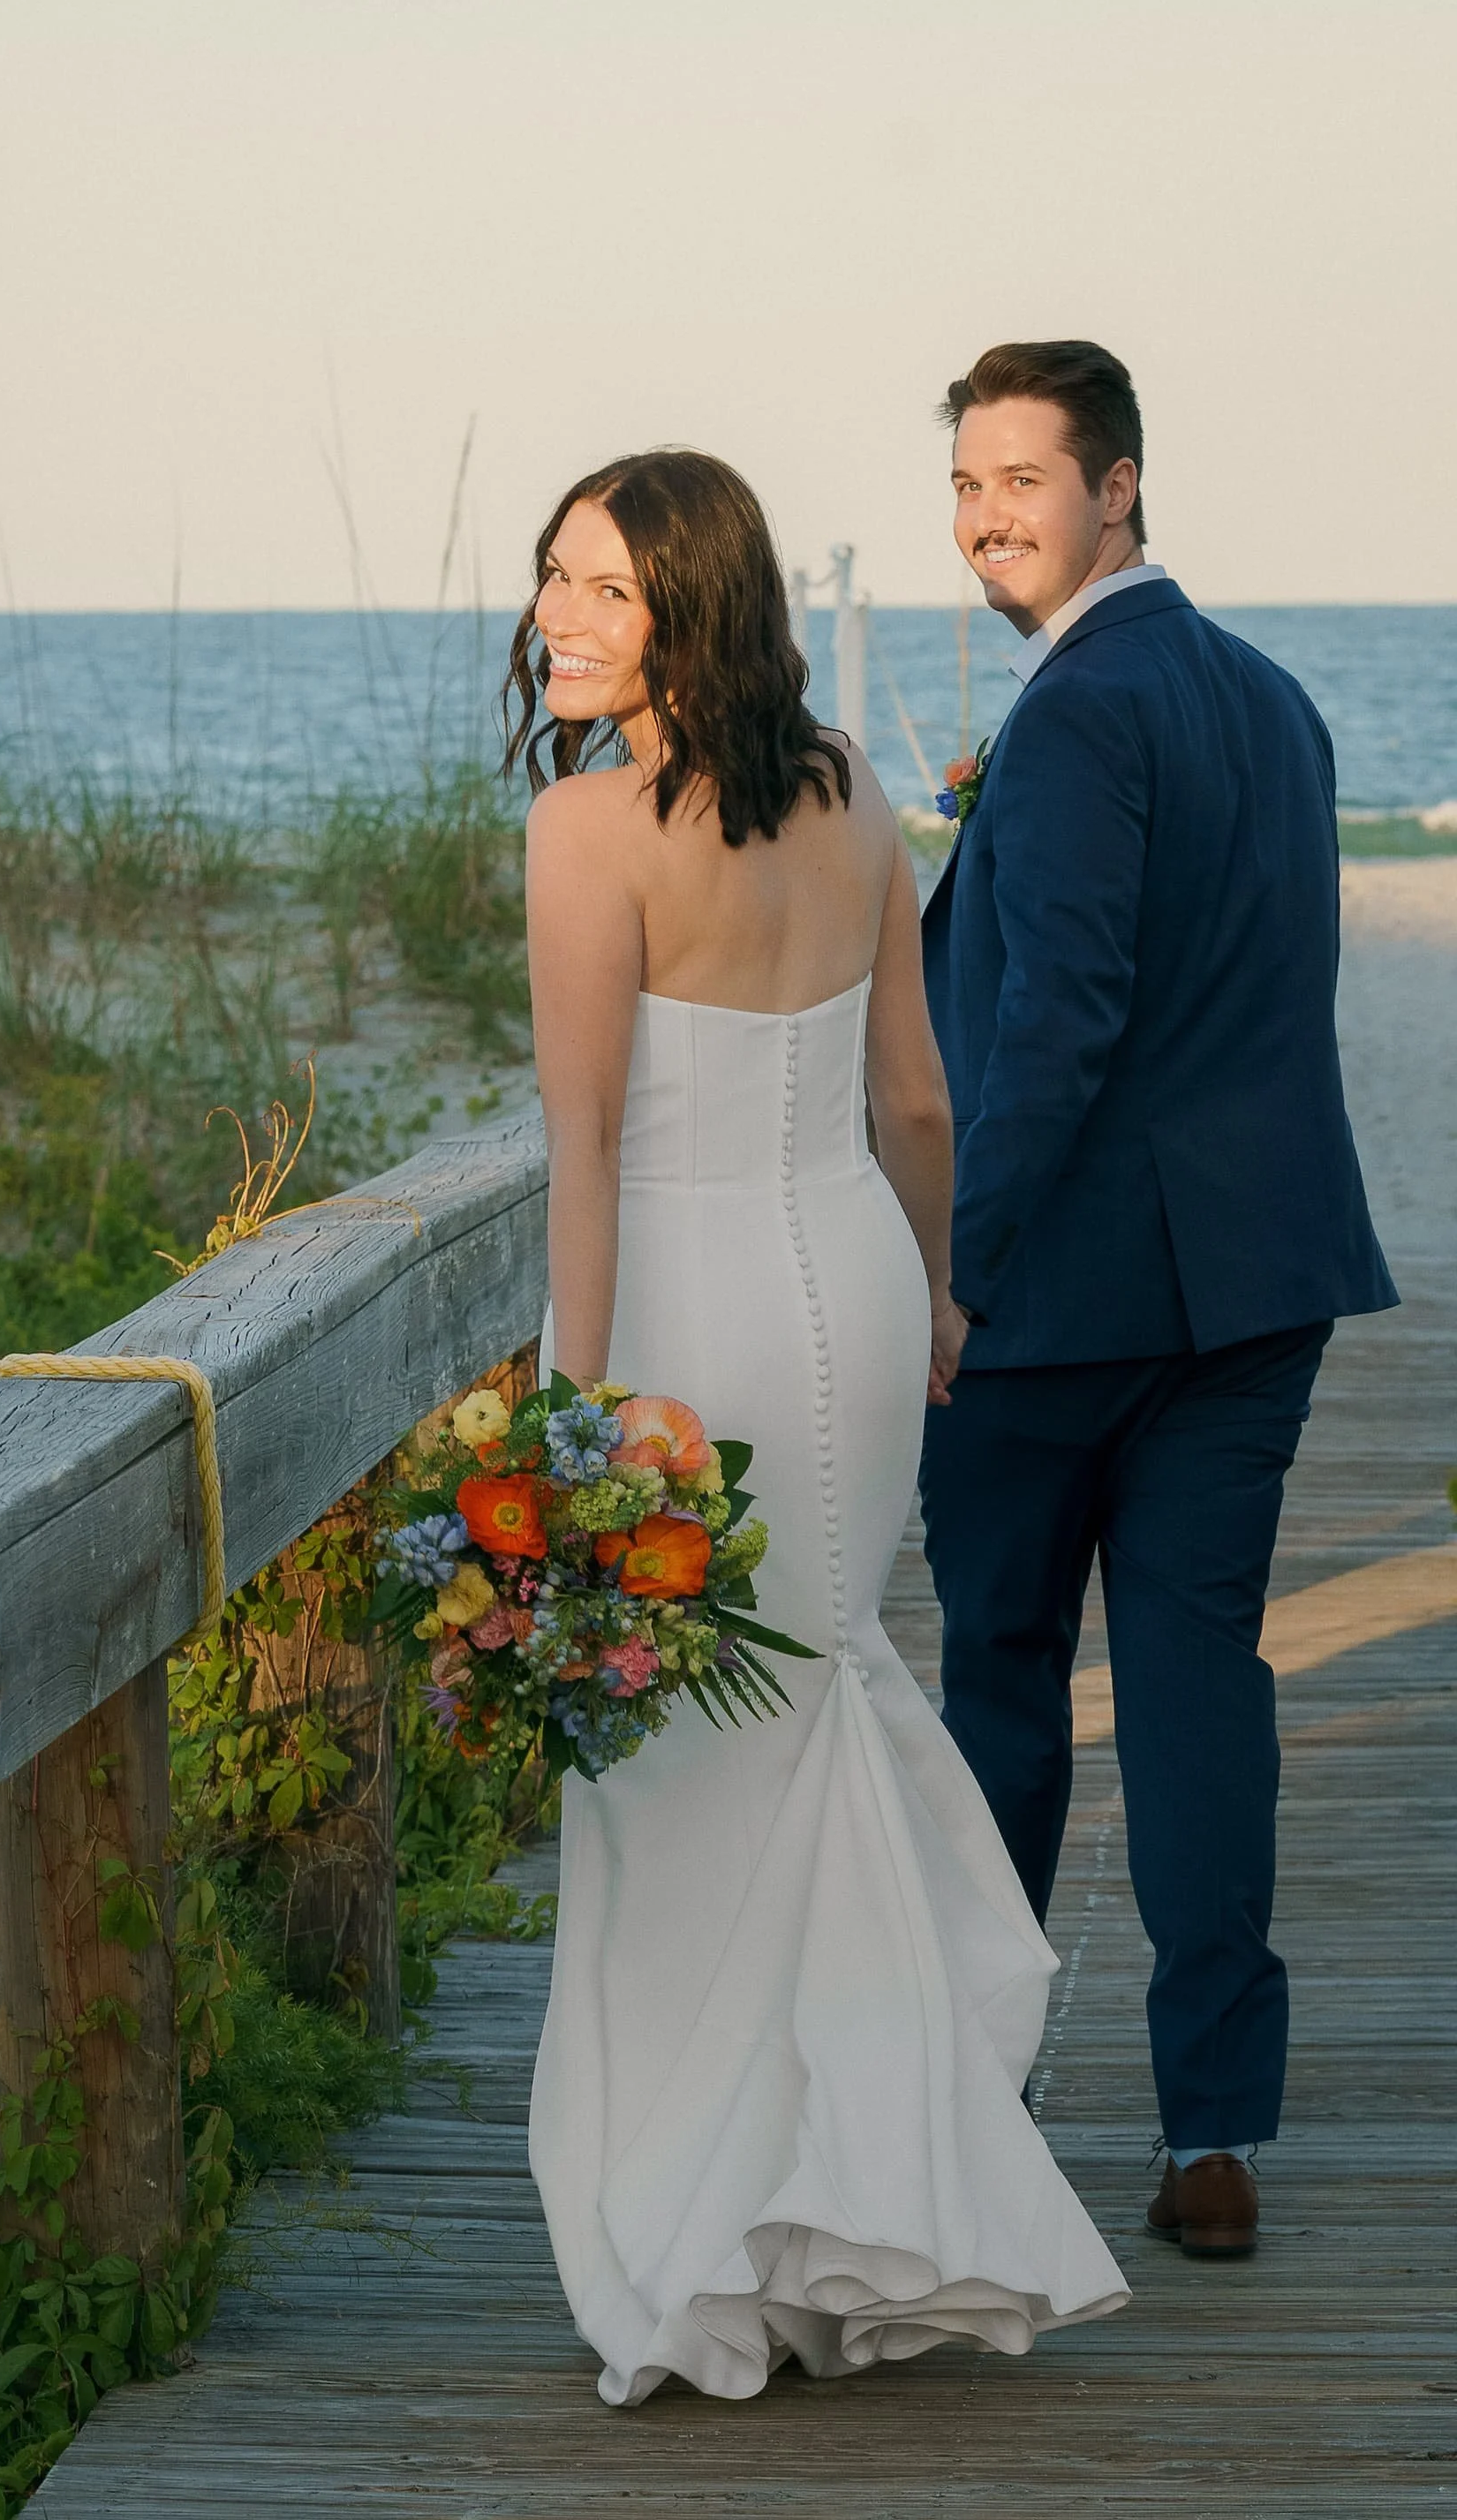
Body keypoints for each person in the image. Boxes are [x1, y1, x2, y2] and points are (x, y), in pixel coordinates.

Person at [513, 449, 1127, 2409]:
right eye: (549, 580)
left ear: (688, 602)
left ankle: (714, 2247)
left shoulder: (585, 833)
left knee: (673, 1773)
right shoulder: (856, 790)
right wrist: (938, 1292)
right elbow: (919, 1101)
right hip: (853, 1286)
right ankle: (851, 2204)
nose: (558, 618)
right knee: (815, 1704)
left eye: (602, 587)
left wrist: (574, 1423)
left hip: (682, 1315)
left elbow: (587, 1150)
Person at [920, 341, 1396, 2261]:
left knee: (1004, 1688)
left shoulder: (1072, 717)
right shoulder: (1274, 707)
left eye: (1020, 481)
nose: (983, 520)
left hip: (1060, 1303)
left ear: (1118, 486)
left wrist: (961, 1269)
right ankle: (1214, 2128)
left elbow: (1060, 1022)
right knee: (1199, 1689)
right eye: (962, 485)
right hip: (1254, 1283)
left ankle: (969, 2096)